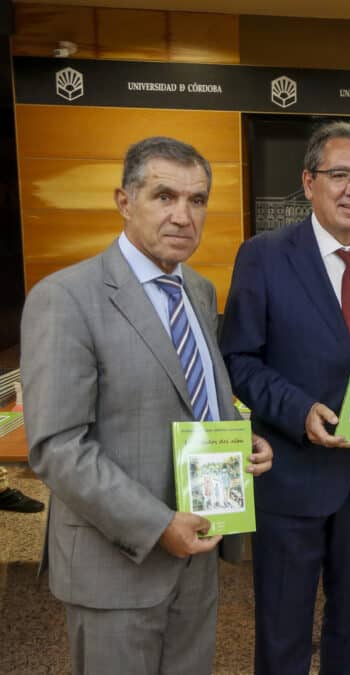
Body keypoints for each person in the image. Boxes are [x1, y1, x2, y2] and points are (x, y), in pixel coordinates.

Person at [20, 136, 273, 674]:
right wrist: (158, 524)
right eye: (164, 196)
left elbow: (192, 397)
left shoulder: (199, 292)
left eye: (197, 200)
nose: (183, 216)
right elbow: (58, 446)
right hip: (117, 564)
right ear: (124, 201)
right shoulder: (65, 298)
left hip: (197, 555)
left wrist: (237, 437)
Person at [220, 120, 350, 675]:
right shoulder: (264, 256)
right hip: (291, 476)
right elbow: (239, 358)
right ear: (309, 182)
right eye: (339, 175)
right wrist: (297, 409)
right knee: (283, 632)